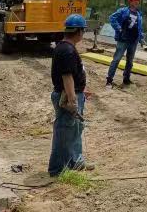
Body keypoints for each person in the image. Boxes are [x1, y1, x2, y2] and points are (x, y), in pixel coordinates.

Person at [49, 14, 94, 176]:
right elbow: (66, 77)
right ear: (79, 32)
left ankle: (75, 162)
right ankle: (57, 169)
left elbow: (71, 76)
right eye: (83, 30)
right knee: (64, 133)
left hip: (72, 93)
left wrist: (82, 89)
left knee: (74, 130)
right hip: (68, 96)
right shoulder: (67, 50)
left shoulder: (64, 47)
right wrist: (72, 99)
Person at [105, 0, 147, 88]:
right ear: (130, 2)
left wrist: (141, 40)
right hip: (123, 39)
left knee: (130, 61)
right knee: (117, 59)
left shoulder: (139, 14)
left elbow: (139, 28)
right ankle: (109, 80)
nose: (137, 1)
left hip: (133, 40)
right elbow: (112, 18)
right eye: (134, 0)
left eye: (137, 0)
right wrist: (119, 28)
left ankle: (126, 78)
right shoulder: (123, 11)